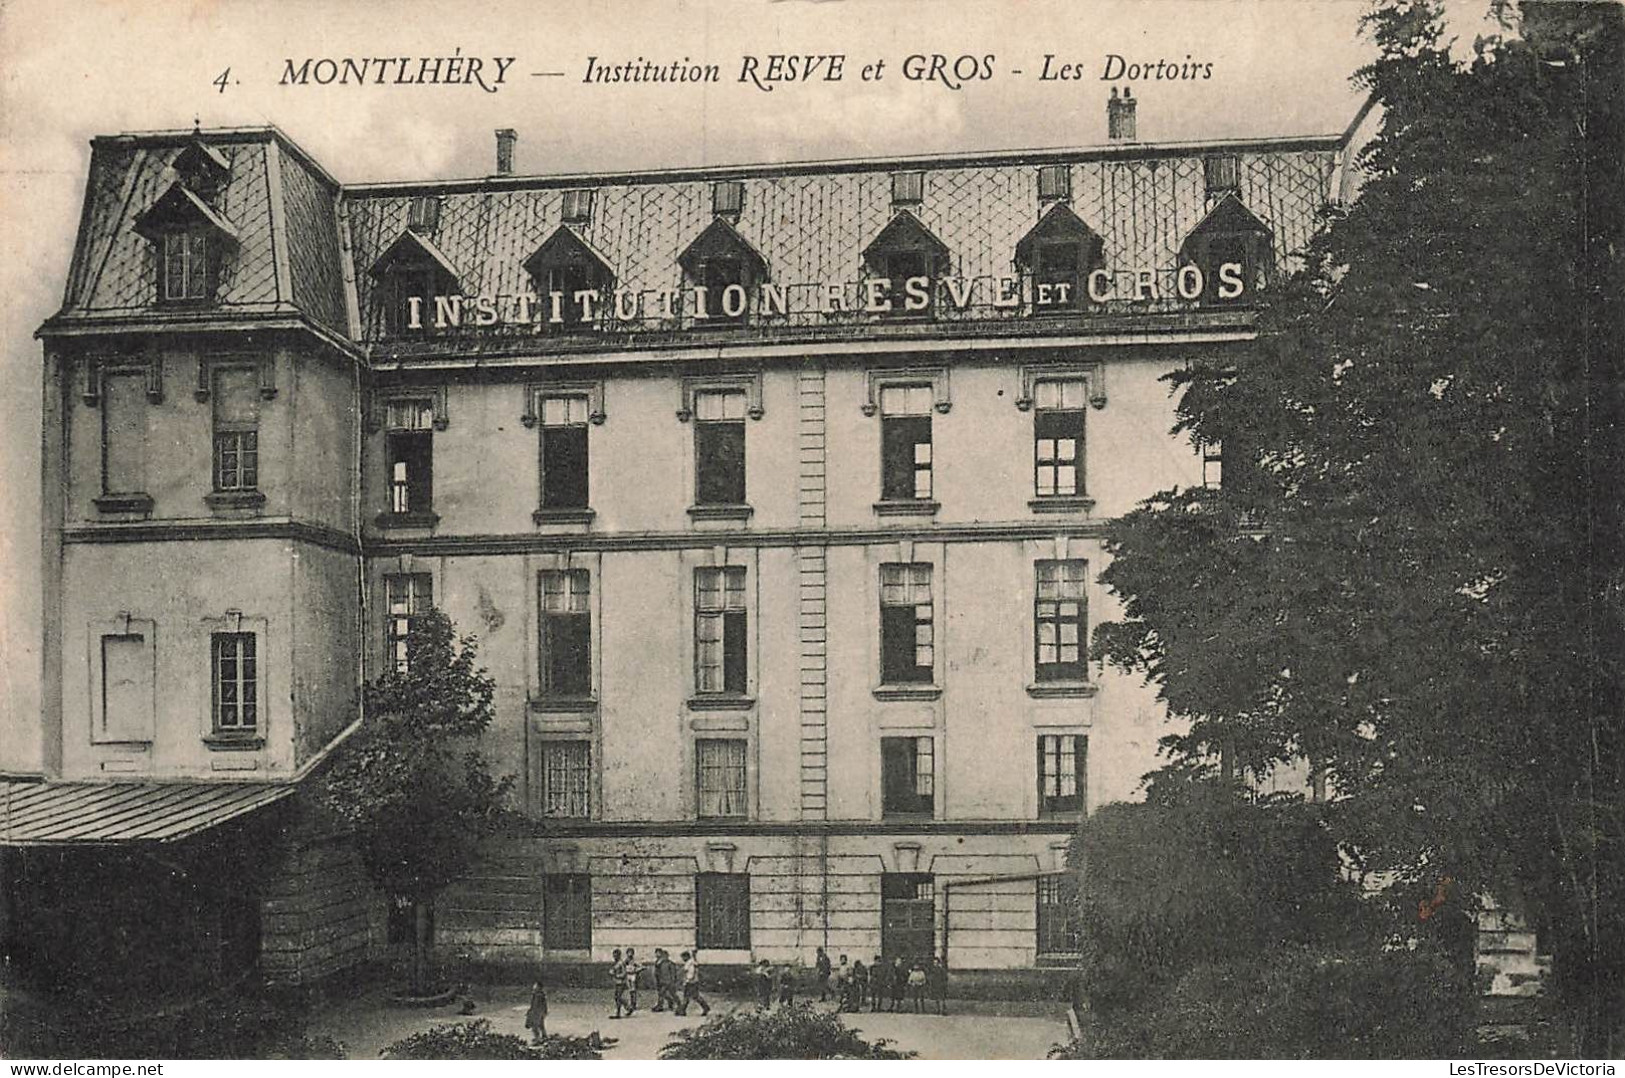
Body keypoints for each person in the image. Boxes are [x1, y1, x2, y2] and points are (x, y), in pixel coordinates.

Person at [677, 950, 711, 1017]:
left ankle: (682, 1010)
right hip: (693, 982)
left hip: (691, 982)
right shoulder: (691, 962)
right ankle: (683, 1010)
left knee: (689, 997)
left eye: (683, 957)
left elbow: (691, 974)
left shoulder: (690, 964)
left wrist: (687, 980)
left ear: (686, 957)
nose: (682, 959)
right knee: (693, 996)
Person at [653, 948, 681, 1013]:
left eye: (659, 953)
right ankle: (670, 1003)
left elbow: (673, 973)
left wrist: (673, 980)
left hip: (668, 981)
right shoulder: (658, 962)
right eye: (656, 953)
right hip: (661, 981)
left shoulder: (670, 963)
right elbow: (657, 972)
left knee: (668, 994)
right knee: (664, 994)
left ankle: (661, 1006)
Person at [525, 975, 549, 1043]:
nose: (534, 986)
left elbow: (535, 1005)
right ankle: (544, 1037)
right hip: (539, 1012)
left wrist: (531, 1012)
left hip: (537, 1012)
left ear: (538, 987)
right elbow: (544, 1004)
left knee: (535, 1026)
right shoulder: (540, 994)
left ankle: (538, 1038)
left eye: (535, 985)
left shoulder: (538, 995)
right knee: (541, 1025)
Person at [609, 948, 628, 1019]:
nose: (614, 957)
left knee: (618, 997)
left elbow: (624, 973)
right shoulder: (616, 963)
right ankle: (627, 1007)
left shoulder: (621, 963)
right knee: (617, 997)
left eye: (615, 956)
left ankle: (621, 1011)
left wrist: (616, 975)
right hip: (617, 982)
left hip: (621, 983)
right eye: (613, 955)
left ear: (619, 956)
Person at [623, 947, 642, 1015]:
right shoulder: (625, 961)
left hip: (633, 975)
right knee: (630, 990)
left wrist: (636, 970)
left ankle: (634, 1003)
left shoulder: (634, 961)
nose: (630, 954)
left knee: (633, 990)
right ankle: (631, 1003)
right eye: (628, 953)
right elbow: (623, 967)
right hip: (628, 975)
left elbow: (641, 967)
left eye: (631, 953)